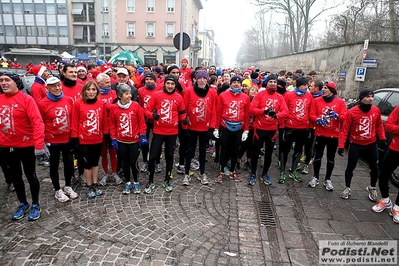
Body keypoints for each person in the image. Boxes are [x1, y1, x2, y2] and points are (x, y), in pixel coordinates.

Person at [0, 71, 45, 221]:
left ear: (16, 82)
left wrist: (39, 145)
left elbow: (37, 122)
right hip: (7, 146)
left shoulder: (26, 100)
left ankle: (35, 204)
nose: (4, 83)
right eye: (1, 81)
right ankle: (23, 203)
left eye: (7, 80)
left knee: (31, 175)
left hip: (26, 145)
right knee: (15, 176)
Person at [338, 88, 386, 200]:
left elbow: (379, 125)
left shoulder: (376, 110)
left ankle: (372, 187)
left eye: (372, 97)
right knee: (351, 167)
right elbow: (345, 130)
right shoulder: (352, 112)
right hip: (356, 144)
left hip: (371, 144)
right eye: (368, 97)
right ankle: (347, 187)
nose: (370, 99)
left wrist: (382, 138)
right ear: (361, 98)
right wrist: (341, 146)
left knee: (374, 167)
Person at [144, 75, 187, 193]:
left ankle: (167, 180)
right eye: (168, 83)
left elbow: (182, 112)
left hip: (172, 132)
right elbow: (147, 110)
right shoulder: (157, 95)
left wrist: (184, 119)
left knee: (169, 157)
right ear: (164, 84)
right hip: (158, 131)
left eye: (172, 84)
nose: (170, 86)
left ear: (175, 85)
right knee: (152, 157)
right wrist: (153, 116)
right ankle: (151, 180)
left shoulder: (178, 97)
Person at [38, 76, 78, 202]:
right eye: (53, 86)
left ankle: (68, 186)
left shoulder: (68, 100)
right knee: (54, 165)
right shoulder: (42, 103)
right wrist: (41, 141)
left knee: (69, 163)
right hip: (52, 140)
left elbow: (73, 118)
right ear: (47, 88)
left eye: (58, 85)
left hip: (67, 139)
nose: (57, 88)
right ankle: (57, 189)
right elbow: (40, 122)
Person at [71, 80, 109, 199]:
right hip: (83, 140)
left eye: (93, 89)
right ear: (84, 91)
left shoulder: (101, 103)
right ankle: (89, 185)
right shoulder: (78, 103)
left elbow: (104, 121)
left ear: (97, 91)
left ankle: (95, 183)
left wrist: (106, 135)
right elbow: (75, 121)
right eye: (88, 89)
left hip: (97, 139)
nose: (91, 92)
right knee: (86, 164)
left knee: (95, 163)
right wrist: (75, 139)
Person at [248, 75, 288, 185]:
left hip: (272, 130)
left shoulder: (280, 97)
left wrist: (276, 115)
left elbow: (285, 112)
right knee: (255, 152)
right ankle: (253, 174)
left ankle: (265, 174)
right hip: (259, 128)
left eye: (274, 82)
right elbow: (251, 109)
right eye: (270, 81)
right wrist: (263, 111)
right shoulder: (260, 94)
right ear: (267, 83)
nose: (273, 84)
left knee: (269, 154)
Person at [109, 84, 148, 194]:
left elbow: (141, 122)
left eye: (130, 93)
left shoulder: (136, 106)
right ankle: (127, 182)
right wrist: (113, 138)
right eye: (126, 94)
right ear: (120, 95)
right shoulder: (114, 108)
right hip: (121, 141)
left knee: (133, 162)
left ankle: (136, 181)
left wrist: (143, 135)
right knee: (125, 162)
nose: (129, 96)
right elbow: (112, 124)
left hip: (134, 140)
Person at [308, 81, 346, 191]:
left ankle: (328, 179)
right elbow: (311, 115)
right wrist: (318, 119)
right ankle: (315, 176)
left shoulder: (340, 103)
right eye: (323, 88)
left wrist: (337, 116)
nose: (323, 90)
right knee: (318, 156)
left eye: (326, 88)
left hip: (333, 134)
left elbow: (344, 117)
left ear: (332, 90)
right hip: (320, 133)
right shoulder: (316, 101)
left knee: (331, 158)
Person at [182, 71, 217, 186]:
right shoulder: (188, 91)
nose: (202, 80)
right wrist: (185, 127)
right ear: (195, 80)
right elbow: (184, 110)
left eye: (204, 78)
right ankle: (187, 173)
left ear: (207, 80)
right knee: (189, 150)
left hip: (205, 128)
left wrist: (212, 128)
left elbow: (214, 111)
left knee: (203, 151)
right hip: (191, 127)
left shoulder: (212, 93)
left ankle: (202, 173)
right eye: (200, 78)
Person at [214, 76, 250, 183]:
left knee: (235, 150)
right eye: (234, 82)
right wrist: (216, 128)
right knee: (224, 149)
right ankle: (221, 170)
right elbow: (218, 113)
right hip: (225, 126)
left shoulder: (245, 97)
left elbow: (247, 115)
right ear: (230, 84)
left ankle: (233, 170)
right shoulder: (223, 96)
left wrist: (246, 130)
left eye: (238, 82)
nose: (236, 84)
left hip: (238, 127)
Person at [278, 77, 313, 184]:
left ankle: (293, 171)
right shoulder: (289, 95)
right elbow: (283, 110)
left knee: (298, 150)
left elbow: (310, 111)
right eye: (304, 85)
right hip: (290, 126)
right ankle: (282, 172)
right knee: (285, 150)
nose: (306, 87)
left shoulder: (308, 96)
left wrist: (310, 128)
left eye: (307, 85)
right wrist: (282, 127)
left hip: (303, 127)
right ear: (298, 85)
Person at [371, 105, 399, 224]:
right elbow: (388, 126)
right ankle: (385, 199)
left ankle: (397, 207)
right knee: (383, 175)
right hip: (395, 148)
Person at [96, 73, 122, 186]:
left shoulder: (113, 93)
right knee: (103, 153)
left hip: (113, 127)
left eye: (109, 82)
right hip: (101, 128)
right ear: (99, 83)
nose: (109, 84)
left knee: (113, 151)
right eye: (106, 83)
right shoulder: (96, 95)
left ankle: (115, 172)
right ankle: (106, 173)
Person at [137, 72, 162, 174]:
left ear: (155, 80)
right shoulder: (140, 90)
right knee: (144, 140)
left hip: (156, 118)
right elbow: (140, 105)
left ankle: (157, 162)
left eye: (151, 79)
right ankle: (145, 161)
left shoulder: (159, 90)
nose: (149, 81)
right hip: (145, 118)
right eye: (147, 79)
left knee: (158, 141)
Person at [301, 79, 324, 174]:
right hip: (304, 124)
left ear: (317, 88)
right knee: (303, 143)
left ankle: (307, 161)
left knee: (310, 144)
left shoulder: (321, 99)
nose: (309, 87)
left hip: (314, 125)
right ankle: (305, 157)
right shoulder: (308, 96)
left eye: (312, 86)